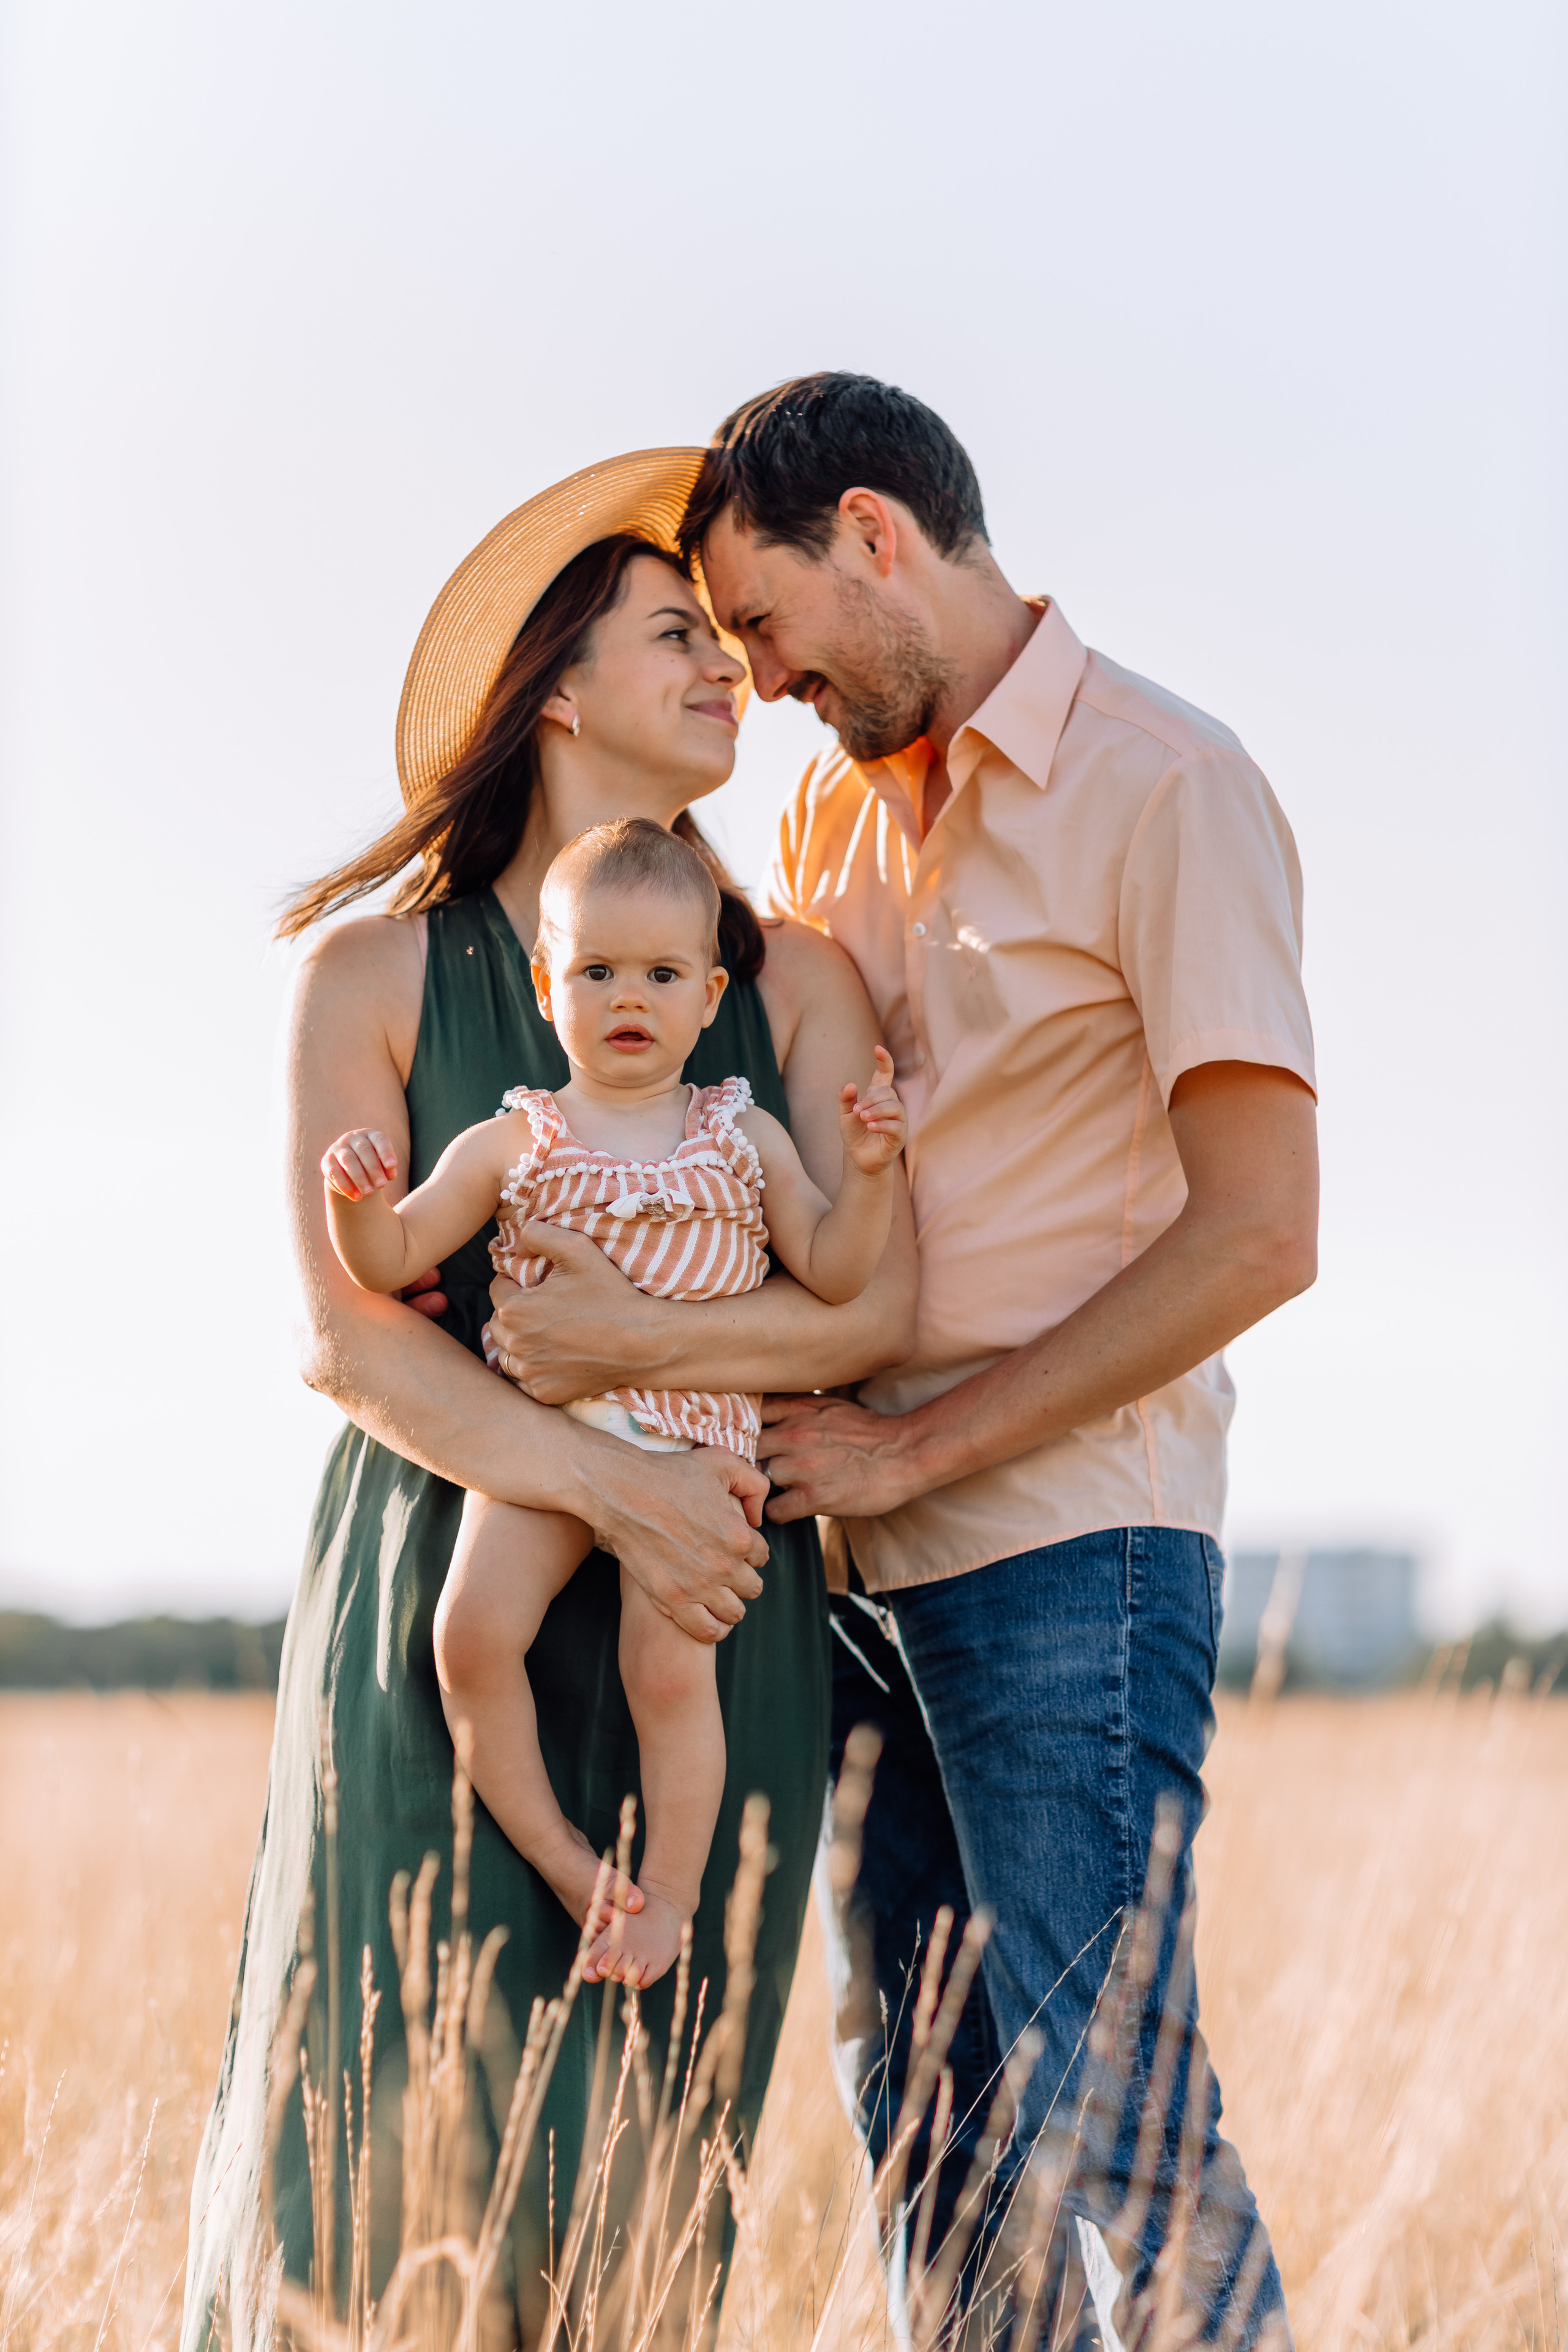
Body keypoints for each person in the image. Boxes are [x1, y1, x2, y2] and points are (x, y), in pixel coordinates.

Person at [489, 379, 1317, 2345]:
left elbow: (1262, 1230)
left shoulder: (1168, 784)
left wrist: (918, 1441)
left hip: (1065, 1557)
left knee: (1120, 2124)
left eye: (761, 623)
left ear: (875, 535)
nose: (759, 681)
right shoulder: (829, 818)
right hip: (852, 1582)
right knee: (932, 2146)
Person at [181, 456, 917, 2350]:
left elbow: (879, 1304)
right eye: (682, 633)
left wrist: (639, 1401)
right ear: (557, 689)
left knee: (645, 2216)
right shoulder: (371, 972)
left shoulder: (804, 984)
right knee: (376, 2188)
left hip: (707, 1607)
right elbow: (345, 1334)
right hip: (448, 1594)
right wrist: (602, 1466)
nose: (733, 668)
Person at [320, 817, 908, 1990]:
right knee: (470, 1639)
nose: (626, 996)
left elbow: (839, 1272)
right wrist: (354, 1200)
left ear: (708, 996)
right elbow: (387, 1258)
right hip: (545, 1443)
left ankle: (671, 1899)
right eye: (595, 971)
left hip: (695, 1442)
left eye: (660, 974)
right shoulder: (514, 1140)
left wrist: (874, 1173)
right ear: (547, 987)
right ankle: (561, 1857)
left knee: (668, 1673)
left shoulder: (739, 1135)